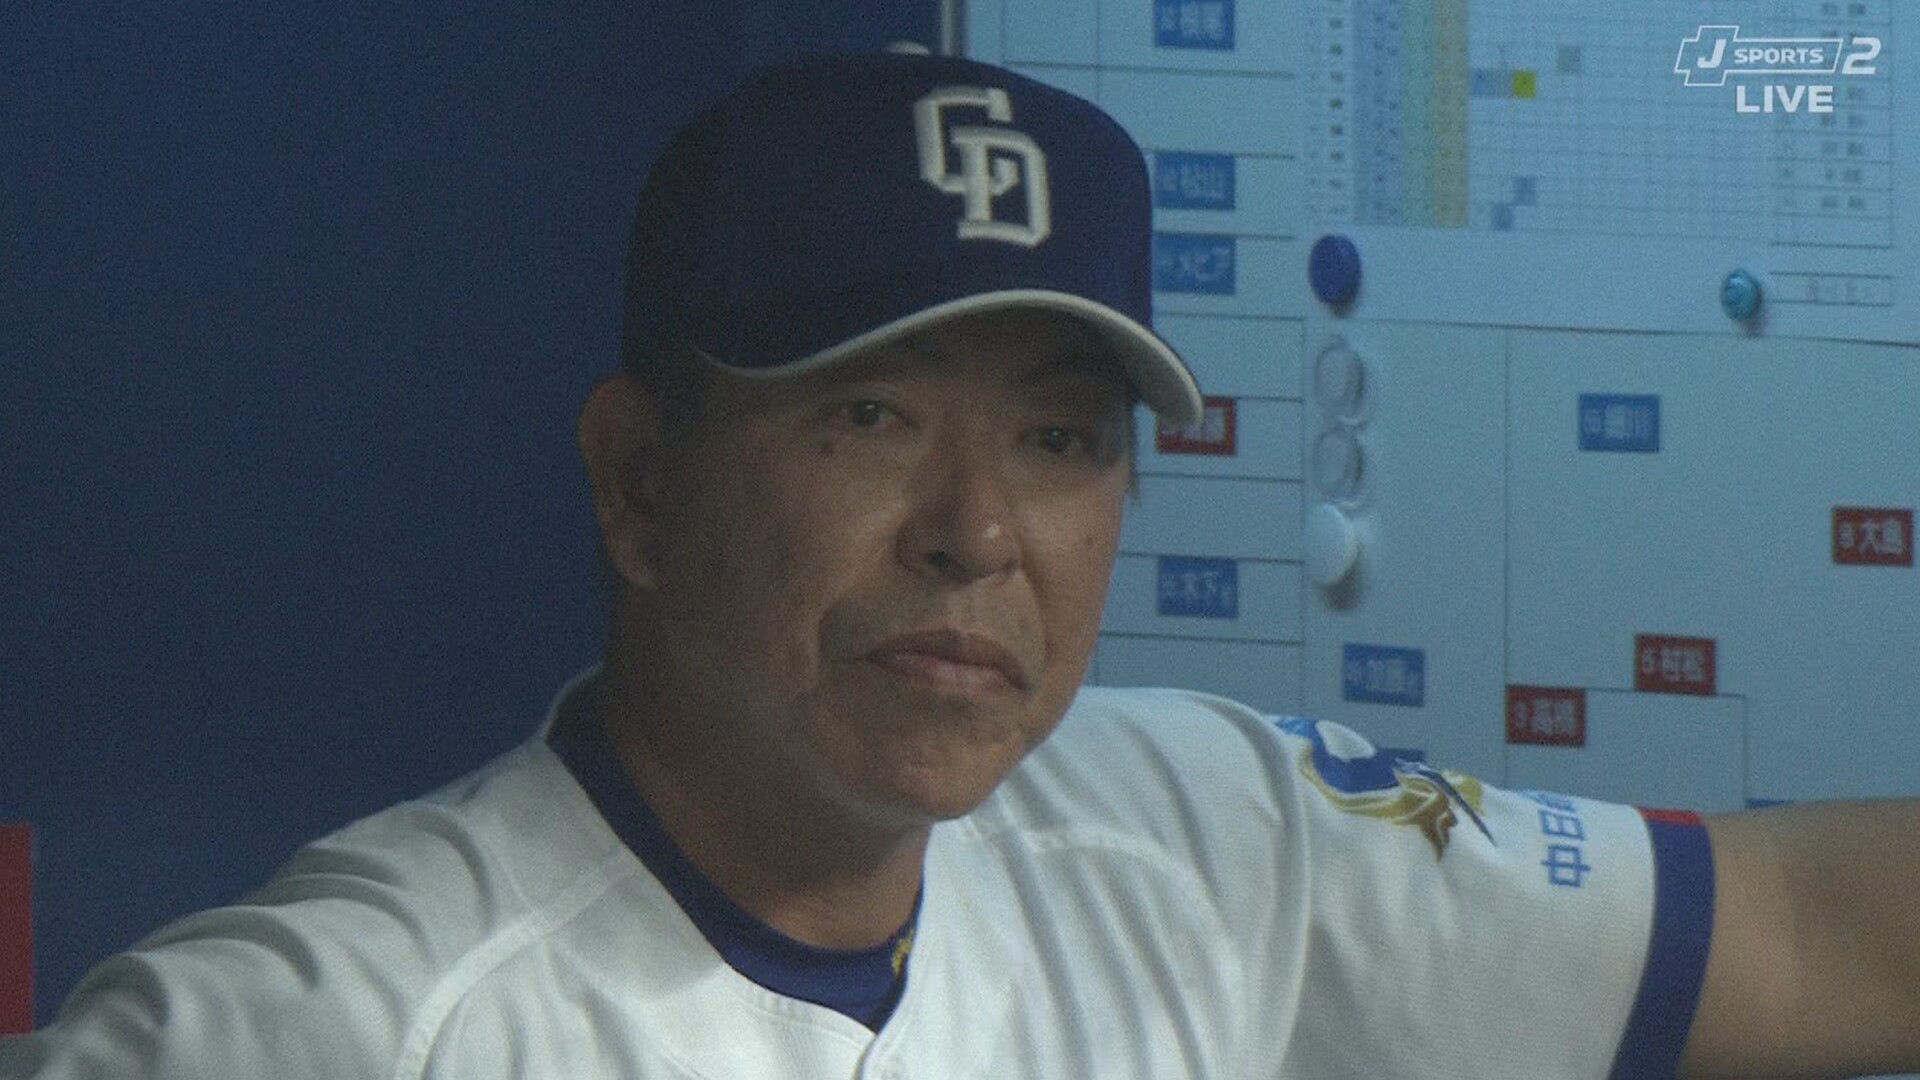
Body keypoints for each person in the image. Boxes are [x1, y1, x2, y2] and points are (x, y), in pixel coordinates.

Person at [3, 48, 1917, 1080]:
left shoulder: (1199, 833)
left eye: (1061, 440)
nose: (979, 531)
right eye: (869, 412)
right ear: (641, 484)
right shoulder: (329, 1025)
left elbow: (1818, 935)